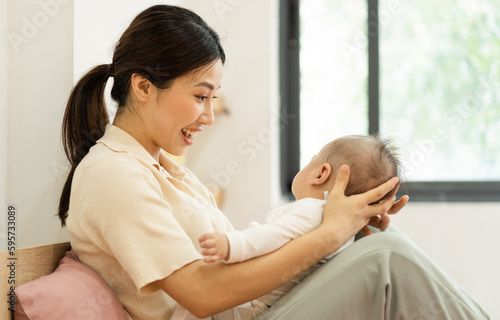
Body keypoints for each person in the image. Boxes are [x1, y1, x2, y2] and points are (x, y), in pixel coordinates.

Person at [58, 4, 490, 320]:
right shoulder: (112, 173)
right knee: (388, 257)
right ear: (144, 87)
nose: (208, 115)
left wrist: (350, 224)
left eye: (213, 99)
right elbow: (202, 295)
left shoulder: (166, 169)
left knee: (378, 246)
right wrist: (328, 235)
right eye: (200, 96)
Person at [173, 135, 402, 320]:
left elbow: (271, 236)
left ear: (320, 173)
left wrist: (232, 244)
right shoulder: (347, 226)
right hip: (271, 302)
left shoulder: (311, 211)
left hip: (253, 306)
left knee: (192, 303)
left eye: (312, 159)